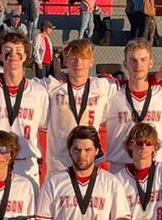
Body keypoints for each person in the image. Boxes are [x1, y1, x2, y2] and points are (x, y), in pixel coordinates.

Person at [0, 30, 50, 186]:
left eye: (18, 51)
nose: (13, 54)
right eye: (7, 51)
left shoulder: (38, 91)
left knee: (27, 209)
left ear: (26, 55)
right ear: (0, 57)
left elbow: (43, 129)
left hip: (26, 162)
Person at [43, 38, 116, 174]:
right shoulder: (52, 86)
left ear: (91, 61)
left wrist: (156, 78)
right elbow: (20, 85)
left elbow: (132, 85)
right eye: (73, 58)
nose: (78, 63)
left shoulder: (103, 86)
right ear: (65, 61)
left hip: (90, 161)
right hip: (60, 162)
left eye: (83, 58)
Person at [105, 39, 162, 175]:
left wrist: (159, 78)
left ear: (151, 62)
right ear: (125, 64)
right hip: (120, 169)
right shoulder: (112, 93)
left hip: (154, 169)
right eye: (133, 60)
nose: (138, 65)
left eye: (143, 59)